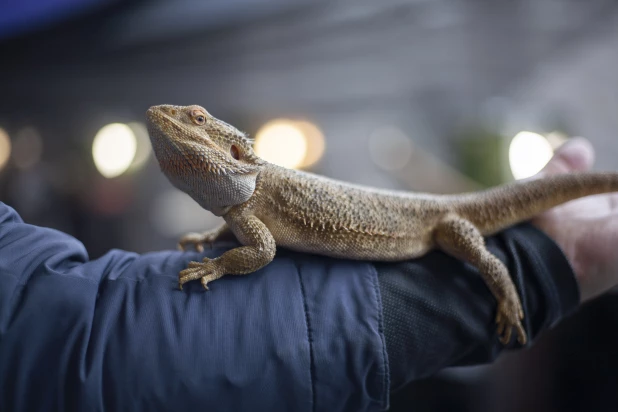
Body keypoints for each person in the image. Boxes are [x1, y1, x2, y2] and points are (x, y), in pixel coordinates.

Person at [0, 138, 616, 412]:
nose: (178, 125)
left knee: (481, 254)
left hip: (436, 221)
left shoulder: (253, 192)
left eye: (195, 120)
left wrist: (518, 285)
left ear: (235, 150)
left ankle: (507, 297)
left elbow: (261, 251)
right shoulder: (244, 203)